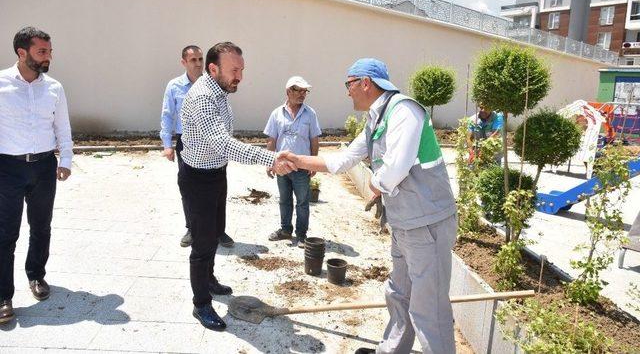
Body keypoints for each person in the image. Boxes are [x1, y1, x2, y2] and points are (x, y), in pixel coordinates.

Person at [283, 58, 458, 354]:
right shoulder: (377, 119)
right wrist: (297, 160)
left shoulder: (405, 111)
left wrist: (375, 187)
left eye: (348, 84)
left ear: (365, 83)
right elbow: (342, 160)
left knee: (429, 309)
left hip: (427, 223)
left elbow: (396, 167)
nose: (347, 92)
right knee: (399, 294)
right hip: (405, 223)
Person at [178, 41, 296, 331]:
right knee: (203, 244)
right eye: (234, 70)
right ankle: (201, 304)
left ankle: (209, 279)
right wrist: (269, 158)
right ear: (213, 68)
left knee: (216, 231)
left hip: (216, 173)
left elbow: (222, 138)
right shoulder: (204, 97)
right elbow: (221, 142)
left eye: (242, 70)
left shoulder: (220, 92)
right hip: (198, 179)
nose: (239, 76)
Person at [0, 27, 73, 325]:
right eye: (42, 51)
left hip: (44, 167)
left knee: (41, 227)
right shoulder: (1, 84)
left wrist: (65, 159)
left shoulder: (54, 87)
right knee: (6, 233)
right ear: (22, 52)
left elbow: (63, 127)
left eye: (49, 51)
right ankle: (4, 295)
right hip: (7, 168)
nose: (48, 57)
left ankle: (36, 276)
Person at [160, 45, 234, 249]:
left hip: (214, 142)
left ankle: (219, 231)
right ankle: (192, 229)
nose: (198, 63)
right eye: (193, 60)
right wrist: (167, 145)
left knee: (220, 187)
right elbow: (167, 115)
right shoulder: (174, 86)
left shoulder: (213, 84)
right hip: (188, 143)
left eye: (200, 59)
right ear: (184, 62)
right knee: (189, 189)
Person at [264, 76, 321, 248]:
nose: (303, 94)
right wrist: (269, 161)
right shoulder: (276, 113)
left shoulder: (310, 114)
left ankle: (302, 235)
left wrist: (314, 163)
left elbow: (314, 141)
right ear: (289, 91)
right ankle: (285, 230)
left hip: (302, 167)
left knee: (303, 202)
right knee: (284, 200)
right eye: (299, 91)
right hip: (282, 166)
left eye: (305, 91)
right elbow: (271, 140)